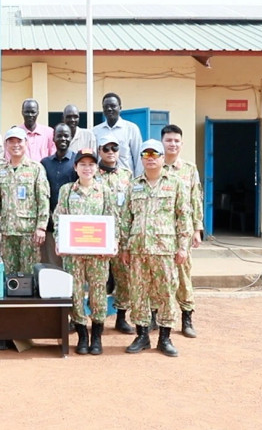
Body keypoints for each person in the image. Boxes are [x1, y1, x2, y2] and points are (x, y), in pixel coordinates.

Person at [121, 139, 191, 357]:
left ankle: (165, 337)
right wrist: (124, 246)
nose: (150, 158)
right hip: (138, 250)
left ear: (162, 158)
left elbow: (183, 216)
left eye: (154, 154)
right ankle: (142, 335)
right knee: (138, 292)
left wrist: (183, 247)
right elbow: (126, 218)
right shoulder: (134, 185)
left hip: (164, 249)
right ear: (141, 158)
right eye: (146, 154)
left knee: (166, 293)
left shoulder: (176, 183)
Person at [53, 148, 116, 355]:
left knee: (98, 294)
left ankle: (96, 336)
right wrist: (59, 240)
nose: (87, 168)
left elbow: (113, 218)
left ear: (96, 168)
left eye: (91, 164)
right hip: (74, 254)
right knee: (76, 293)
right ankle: (82, 335)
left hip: (99, 254)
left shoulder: (105, 191)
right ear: (75, 167)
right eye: (83, 164)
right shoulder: (67, 190)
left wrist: (113, 242)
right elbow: (58, 218)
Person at [161, 124, 203, 338]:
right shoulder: (155, 167)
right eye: (169, 140)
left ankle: (187, 316)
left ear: (182, 143)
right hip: (160, 232)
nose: (173, 144)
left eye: (176, 141)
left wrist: (197, 228)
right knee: (160, 275)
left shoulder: (189, 169)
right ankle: (156, 317)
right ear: (162, 142)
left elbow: (196, 198)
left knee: (183, 274)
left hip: (183, 232)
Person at [0, 127, 50, 275]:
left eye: (19, 141)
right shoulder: (1, 169)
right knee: (8, 274)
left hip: (29, 231)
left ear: (26, 143)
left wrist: (41, 227)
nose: (15, 145)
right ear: (6, 145)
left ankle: (29, 299)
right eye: (11, 141)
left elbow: (43, 199)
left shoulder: (36, 168)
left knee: (29, 273)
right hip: (7, 231)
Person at [96, 134, 135, 335]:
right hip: (99, 237)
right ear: (99, 151)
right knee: (99, 279)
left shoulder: (127, 175)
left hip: (122, 235)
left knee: (123, 278)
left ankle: (121, 317)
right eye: (106, 148)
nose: (111, 152)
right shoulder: (92, 174)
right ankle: (98, 319)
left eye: (114, 148)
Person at [39, 123, 78, 267]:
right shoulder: (45, 163)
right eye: (59, 135)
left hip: (70, 222)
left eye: (66, 135)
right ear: (53, 139)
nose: (63, 138)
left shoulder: (77, 161)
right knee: (52, 264)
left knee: (70, 265)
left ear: (71, 138)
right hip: (50, 222)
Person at [93, 92, 143, 175]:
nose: (109, 109)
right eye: (106, 107)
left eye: (113, 106)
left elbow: (138, 158)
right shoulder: (95, 131)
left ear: (120, 108)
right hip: (101, 183)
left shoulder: (131, 129)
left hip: (126, 182)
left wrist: (137, 183)